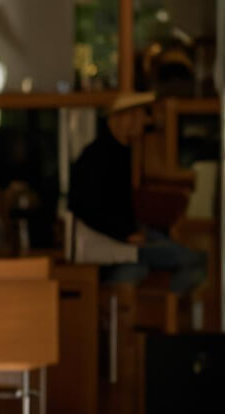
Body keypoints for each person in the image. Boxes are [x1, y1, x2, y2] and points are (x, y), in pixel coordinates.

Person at [69, 92, 206, 294]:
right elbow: (84, 207)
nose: (145, 121)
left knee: (189, 259)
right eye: (141, 114)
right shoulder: (95, 157)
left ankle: (168, 305)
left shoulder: (126, 152)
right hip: (112, 244)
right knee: (192, 260)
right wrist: (125, 234)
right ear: (124, 117)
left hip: (131, 237)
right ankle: (166, 305)